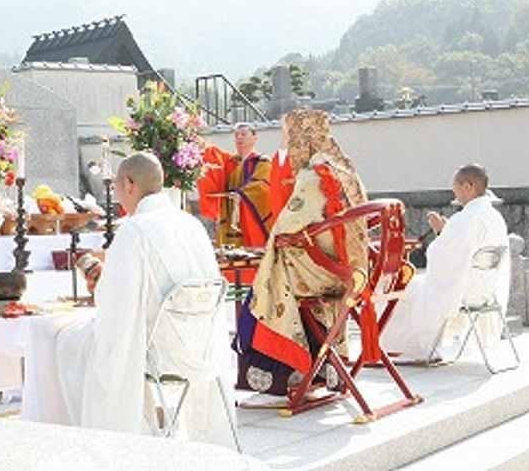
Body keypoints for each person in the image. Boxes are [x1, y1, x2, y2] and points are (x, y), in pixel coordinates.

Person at [55, 152, 234, 446]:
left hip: (160, 353)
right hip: (202, 346)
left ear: (128, 184)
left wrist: (99, 281)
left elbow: (116, 306)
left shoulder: (135, 229)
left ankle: (77, 444)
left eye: (116, 188)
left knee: (64, 344)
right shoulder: (192, 225)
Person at [234, 109, 371, 396]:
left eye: (290, 136)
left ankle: (284, 372)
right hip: (350, 269)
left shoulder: (313, 175)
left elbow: (286, 227)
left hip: (324, 272)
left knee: (263, 288)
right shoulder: (343, 167)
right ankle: (317, 367)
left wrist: (272, 246)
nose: (289, 144)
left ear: (301, 136)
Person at [382, 164, 510, 362]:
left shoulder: (467, 218)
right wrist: (445, 231)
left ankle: (403, 348)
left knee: (401, 289)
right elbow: (462, 252)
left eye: (455, 186)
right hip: (485, 288)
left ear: (468, 186)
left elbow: (443, 256)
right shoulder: (493, 216)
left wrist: (441, 233)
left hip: (465, 290)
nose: (454, 191)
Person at [198, 123, 279, 248]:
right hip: (229, 214)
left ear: (254, 138)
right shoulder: (230, 162)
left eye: (243, 134)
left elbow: (263, 186)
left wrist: (241, 194)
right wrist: (199, 144)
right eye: (236, 135)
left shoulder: (262, 162)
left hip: (250, 217)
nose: (239, 138)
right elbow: (213, 158)